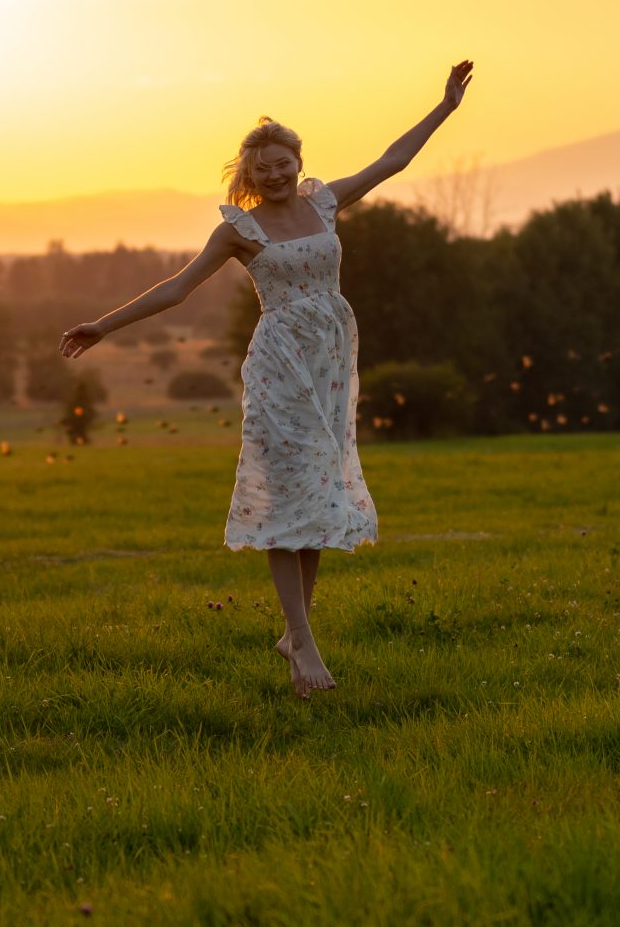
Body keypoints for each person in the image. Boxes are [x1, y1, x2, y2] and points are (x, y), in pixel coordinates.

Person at [60, 60, 473, 694]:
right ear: (249, 176)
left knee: (318, 492)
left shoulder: (324, 203)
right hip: (280, 364)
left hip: (329, 362)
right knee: (286, 494)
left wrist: (444, 106)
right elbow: (176, 289)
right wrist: (103, 326)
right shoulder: (238, 231)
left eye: (284, 163)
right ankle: (302, 642)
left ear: (298, 162)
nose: (275, 175)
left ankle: (295, 634)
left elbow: (392, 161)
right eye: (263, 168)